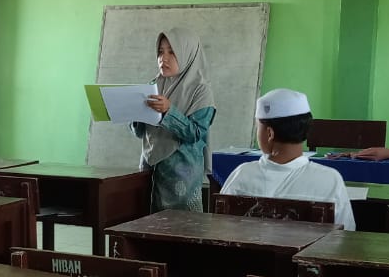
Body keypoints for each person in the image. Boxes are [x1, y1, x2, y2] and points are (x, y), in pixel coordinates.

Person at [219, 88, 355, 230]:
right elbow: (346, 233)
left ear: (269, 133)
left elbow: (220, 227)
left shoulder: (243, 175)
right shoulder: (330, 179)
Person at [132, 28, 216, 212]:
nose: (164, 58)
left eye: (172, 51)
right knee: (147, 227)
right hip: (150, 168)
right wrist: (131, 112)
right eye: (160, 52)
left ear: (187, 54)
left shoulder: (200, 90)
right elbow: (141, 132)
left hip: (182, 174)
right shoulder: (152, 85)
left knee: (182, 231)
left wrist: (169, 111)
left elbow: (196, 133)